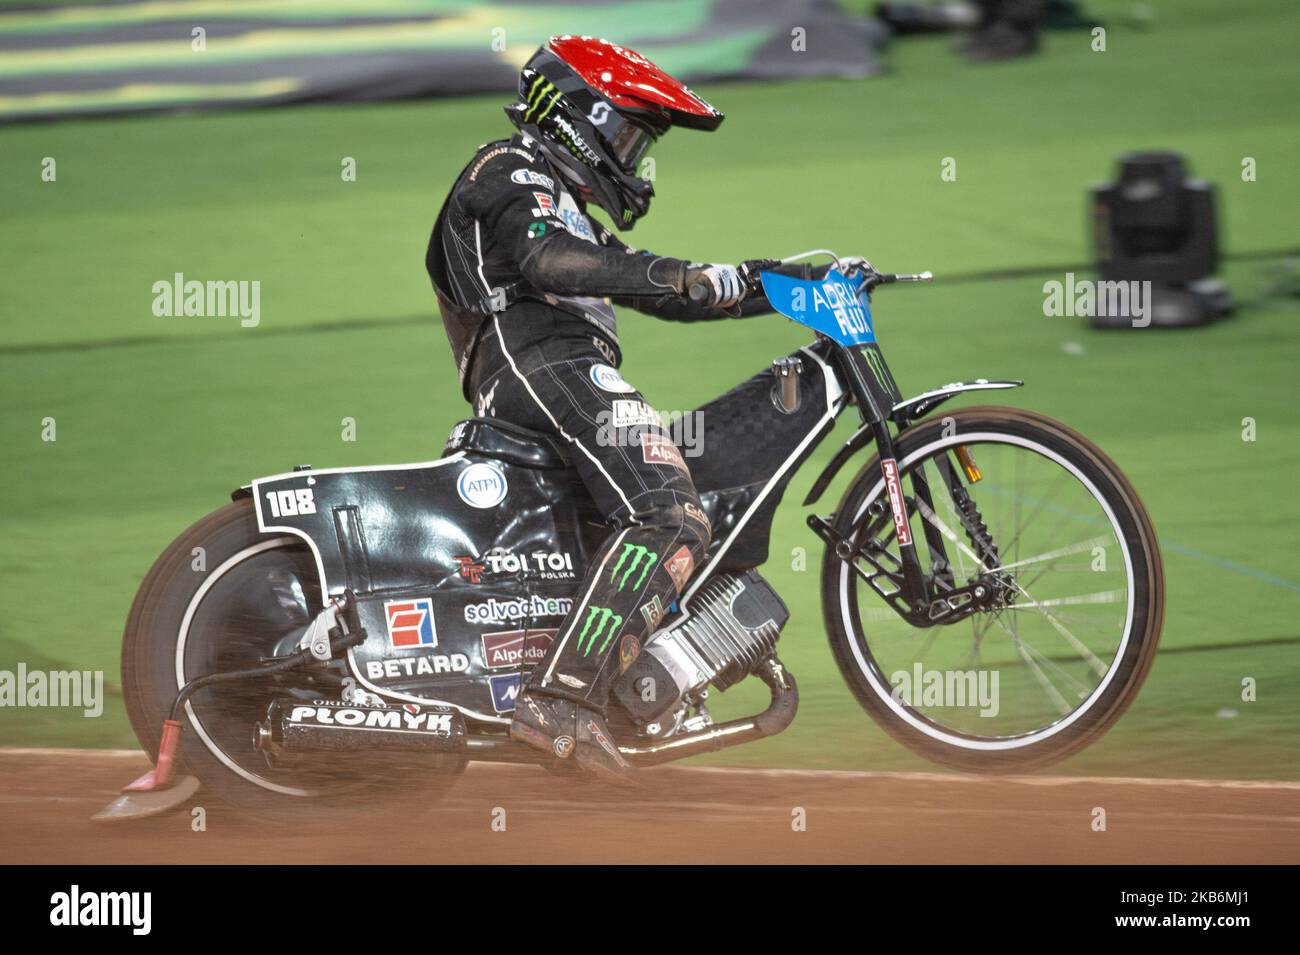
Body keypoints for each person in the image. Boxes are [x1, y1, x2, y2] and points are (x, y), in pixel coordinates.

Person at [425, 35, 826, 780]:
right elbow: (550, 262)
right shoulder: (507, 168)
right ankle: (562, 702)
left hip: (554, 370)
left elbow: (658, 293)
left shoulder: (563, 204)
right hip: (538, 361)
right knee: (669, 514)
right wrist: (680, 273)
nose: (634, 159)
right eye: (627, 134)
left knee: (670, 507)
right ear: (579, 116)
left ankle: (612, 691)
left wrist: (785, 283)